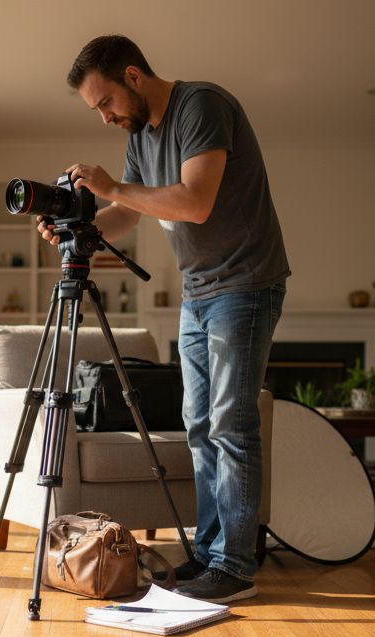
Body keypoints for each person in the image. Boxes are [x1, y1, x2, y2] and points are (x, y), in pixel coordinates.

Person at [41, 35, 289, 603]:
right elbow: (127, 213)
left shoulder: (201, 105)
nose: (104, 117)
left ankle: (235, 566)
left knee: (230, 422)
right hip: (199, 291)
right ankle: (211, 553)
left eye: (105, 102)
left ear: (132, 76)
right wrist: (80, 225)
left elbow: (194, 201)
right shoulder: (139, 136)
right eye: (95, 111)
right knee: (198, 424)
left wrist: (112, 186)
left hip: (245, 283)